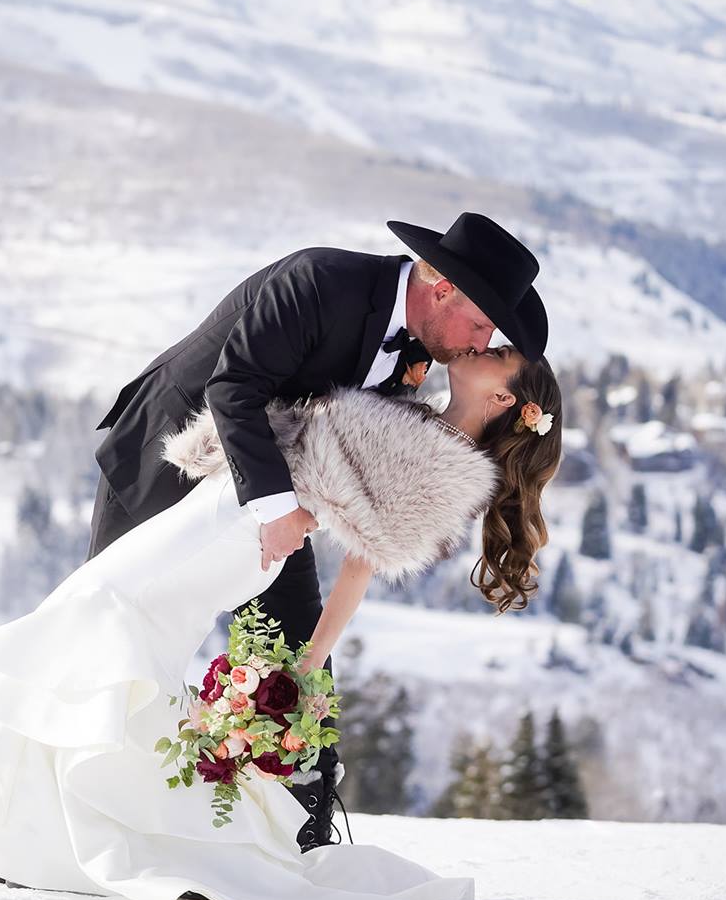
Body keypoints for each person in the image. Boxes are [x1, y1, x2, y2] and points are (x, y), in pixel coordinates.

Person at [0, 337, 566, 900]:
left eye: (499, 355)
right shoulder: (419, 411)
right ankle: (46, 828)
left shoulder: (449, 469)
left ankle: (60, 830)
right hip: (230, 504)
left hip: (239, 535)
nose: (484, 347)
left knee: (106, 609)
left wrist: (311, 660)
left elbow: (360, 569)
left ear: (506, 397)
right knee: (103, 614)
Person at [84, 212, 550, 849]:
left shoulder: (422, 352)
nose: (480, 340)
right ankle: (67, 822)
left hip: (274, 502)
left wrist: (299, 516)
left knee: (292, 660)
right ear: (442, 290)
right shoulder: (318, 281)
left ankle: (294, 839)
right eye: (481, 323)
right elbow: (233, 388)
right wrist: (276, 511)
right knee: (108, 634)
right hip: (166, 462)